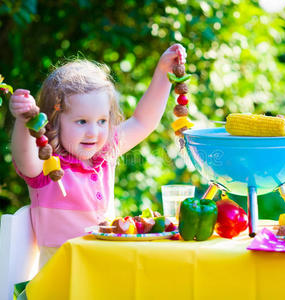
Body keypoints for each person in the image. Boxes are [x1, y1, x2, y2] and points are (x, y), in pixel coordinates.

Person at [9, 44, 187, 268]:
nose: (93, 132)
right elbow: (23, 155)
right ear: (54, 121)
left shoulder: (104, 154)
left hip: (105, 270)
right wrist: (24, 121)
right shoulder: (47, 166)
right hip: (62, 280)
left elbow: (143, 121)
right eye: (82, 121)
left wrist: (163, 73)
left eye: (102, 121)